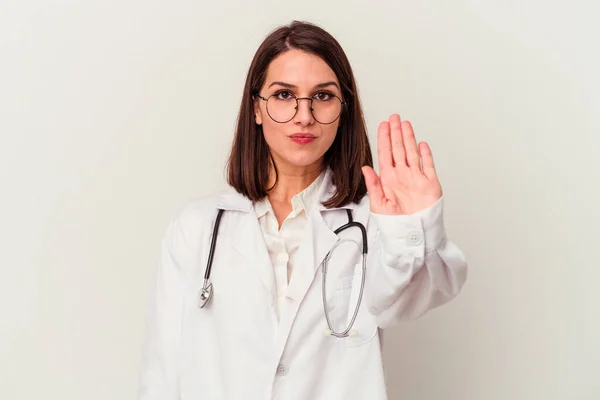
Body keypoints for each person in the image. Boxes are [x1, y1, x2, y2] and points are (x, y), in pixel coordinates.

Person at [137, 20, 467, 400]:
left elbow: (413, 297)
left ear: (343, 109)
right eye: (283, 95)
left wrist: (414, 225)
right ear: (256, 109)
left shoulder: (370, 225)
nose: (304, 115)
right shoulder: (198, 227)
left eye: (323, 96)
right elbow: (161, 371)